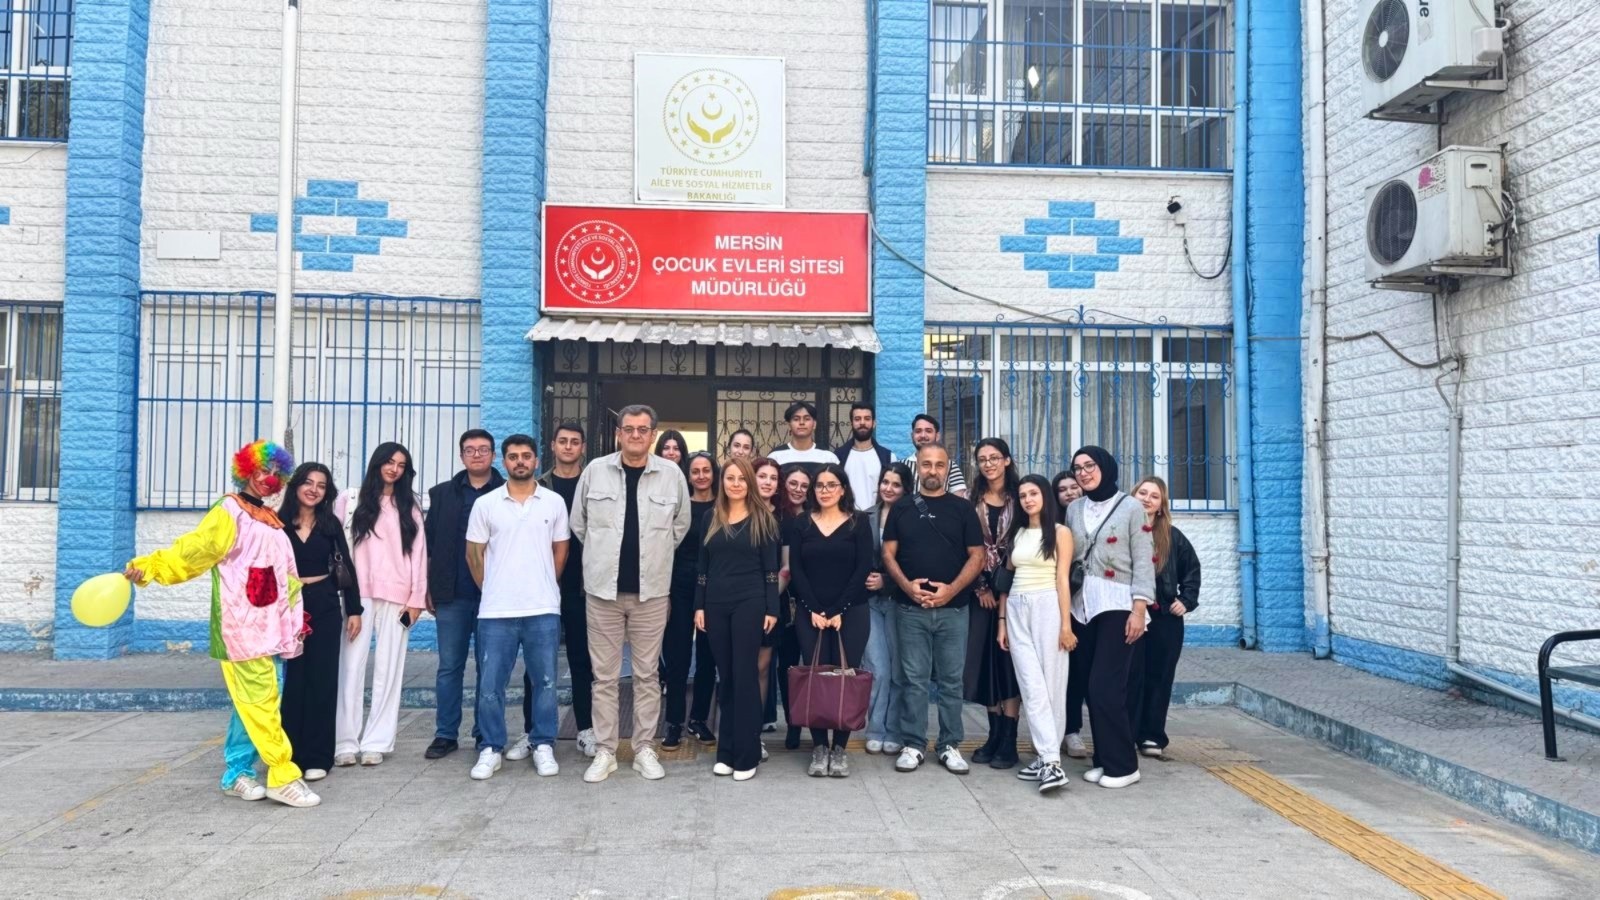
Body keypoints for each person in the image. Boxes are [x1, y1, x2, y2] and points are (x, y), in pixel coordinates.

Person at [124, 440, 320, 807]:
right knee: (261, 702)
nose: (269, 478)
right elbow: (193, 551)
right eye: (262, 471)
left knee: (256, 703)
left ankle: (237, 773)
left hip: (271, 628)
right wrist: (149, 567)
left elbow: (285, 576)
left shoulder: (269, 518)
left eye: (275, 473)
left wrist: (293, 619)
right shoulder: (230, 511)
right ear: (246, 471)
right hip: (241, 628)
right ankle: (282, 775)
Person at [570, 404, 692, 783]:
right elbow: (579, 524)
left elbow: (680, 526)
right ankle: (606, 751)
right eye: (629, 429)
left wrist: (654, 557)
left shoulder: (671, 474)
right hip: (602, 593)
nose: (636, 435)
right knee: (604, 678)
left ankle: (643, 749)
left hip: (651, 593)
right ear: (619, 433)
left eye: (643, 429)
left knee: (647, 676)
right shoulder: (595, 471)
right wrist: (603, 558)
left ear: (653, 434)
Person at [464, 434, 570, 781]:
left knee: (546, 682)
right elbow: (474, 555)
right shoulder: (487, 504)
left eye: (526, 456)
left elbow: (560, 550)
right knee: (490, 685)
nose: (520, 461)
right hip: (496, 612)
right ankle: (491, 748)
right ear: (504, 461)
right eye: (513, 456)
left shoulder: (553, 502)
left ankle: (543, 743)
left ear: (536, 460)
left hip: (542, 608)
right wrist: (494, 588)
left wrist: (544, 583)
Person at [882, 442, 985, 775]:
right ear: (918, 466)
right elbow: (888, 554)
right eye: (926, 464)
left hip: (954, 610)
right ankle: (913, 744)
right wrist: (907, 586)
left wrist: (951, 590)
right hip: (910, 610)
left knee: (952, 681)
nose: (933, 470)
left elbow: (978, 556)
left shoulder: (963, 509)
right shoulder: (902, 508)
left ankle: (949, 744)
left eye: (939, 465)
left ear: (948, 468)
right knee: (913, 680)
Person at [1065, 446, 1155, 790]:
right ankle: (1103, 760)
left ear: (1105, 466)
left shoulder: (1131, 507)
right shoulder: (1074, 508)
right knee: (1092, 687)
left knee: (1106, 686)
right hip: (1082, 605)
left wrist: (1139, 609)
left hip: (1118, 603)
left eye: (1090, 465)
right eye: (1077, 468)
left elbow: (1144, 560)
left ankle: (1124, 766)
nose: (1083, 473)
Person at [336, 442, 428, 768]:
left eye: (401, 465)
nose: (394, 469)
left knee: (390, 669)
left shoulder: (410, 505)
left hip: (399, 599)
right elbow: (336, 547)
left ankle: (377, 741)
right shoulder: (350, 500)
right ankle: (344, 742)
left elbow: (419, 554)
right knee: (350, 667)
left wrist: (416, 600)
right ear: (377, 463)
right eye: (389, 462)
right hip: (357, 596)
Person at [694, 457, 781, 781]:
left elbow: (771, 570)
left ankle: (747, 754)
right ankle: (726, 752)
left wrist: (772, 609)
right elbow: (702, 566)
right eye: (730, 478)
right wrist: (699, 606)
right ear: (723, 482)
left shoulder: (763, 519)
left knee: (745, 676)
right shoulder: (711, 517)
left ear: (749, 483)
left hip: (750, 603)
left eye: (741, 479)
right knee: (727, 676)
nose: (735, 484)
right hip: (715, 605)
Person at [423, 430, 505, 761]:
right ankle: (446, 733)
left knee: (490, 668)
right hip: (452, 593)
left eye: (483, 449)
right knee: (449, 667)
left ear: (493, 455)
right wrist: (427, 587)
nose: (477, 455)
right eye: (470, 450)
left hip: (494, 596)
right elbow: (428, 545)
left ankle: (485, 732)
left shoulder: (506, 491)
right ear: (461, 456)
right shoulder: (442, 494)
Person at [788, 463, 875, 777]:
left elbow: (863, 567)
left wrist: (839, 609)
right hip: (810, 613)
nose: (825, 490)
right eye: (820, 485)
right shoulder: (801, 523)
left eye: (831, 485)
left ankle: (839, 748)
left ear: (843, 489)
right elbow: (796, 569)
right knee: (815, 676)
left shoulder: (858, 522)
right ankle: (819, 747)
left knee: (844, 677)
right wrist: (814, 608)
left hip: (852, 612)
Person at [279, 462, 362, 783]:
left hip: (324, 604)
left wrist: (354, 610)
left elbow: (346, 566)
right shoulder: (278, 524)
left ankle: (318, 756)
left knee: (323, 680)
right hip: (289, 608)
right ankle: (290, 756)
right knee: (294, 681)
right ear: (296, 485)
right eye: (308, 482)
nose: (314, 490)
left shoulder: (330, 524)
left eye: (321, 485)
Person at [996, 474, 1076, 794]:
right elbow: (1006, 580)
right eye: (1023, 495)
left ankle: (1050, 761)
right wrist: (1002, 622)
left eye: (1033, 493)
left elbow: (1063, 579)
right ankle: (1048, 758)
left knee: (1052, 686)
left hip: (1048, 606)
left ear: (1045, 496)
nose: (1028, 499)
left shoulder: (1060, 532)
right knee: (1031, 686)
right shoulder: (1016, 532)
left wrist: (1066, 625)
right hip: (1017, 607)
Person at [1131, 476, 1201, 761]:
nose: (1147, 499)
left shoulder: (1172, 537)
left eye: (1154, 496)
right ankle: (1127, 732)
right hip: (1129, 615)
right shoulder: (1121, 530)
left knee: (1159, 677)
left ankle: (1151, 735)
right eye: (1142, 493)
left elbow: (1192, 570)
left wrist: (1186, 600)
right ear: (1133, 496)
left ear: (1161, 506)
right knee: (1130, 676)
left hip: (1163, 619)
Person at [539, 422, 596, 757]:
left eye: (575, 442)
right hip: (542, 583)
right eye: (563, 441)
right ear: (553, 445)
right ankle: (534, 731)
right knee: (539, 662)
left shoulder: (594, 483)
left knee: (580, 659)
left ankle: (585, 729)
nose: (569, 447)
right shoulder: (538, 485)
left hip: (581, 585)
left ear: (583, 447)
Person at [967, 438, 1022, 770]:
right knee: (986, 665)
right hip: (980, 595)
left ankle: (1010, 739)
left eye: (994, 457)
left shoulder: (1022, 498)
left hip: (1017, 591)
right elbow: (964, 546)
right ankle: (993, 734)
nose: (988, 464)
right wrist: (981, 587)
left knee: (1009, 664)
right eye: (982, 459)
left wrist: (1002, 587)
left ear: (1007, 460)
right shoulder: (970, 500)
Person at [663, 451, 719, 749]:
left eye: (706, 470)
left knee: (708, 657)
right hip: (680, 586)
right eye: (695, 471)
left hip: (713, 588)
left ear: (714, 473)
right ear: (688, 475)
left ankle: (699, 719)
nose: (701, 476)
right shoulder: (678, 507)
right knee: (678, 657)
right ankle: (674, 722)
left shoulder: (722, 507)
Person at [862, 462, 912, 755]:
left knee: (897, 670)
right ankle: (875, 729)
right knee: (877, 668)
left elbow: (915, 560)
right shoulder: (865, 516)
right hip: (869, 603)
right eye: (885, 482)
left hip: (899, 601)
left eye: (896, 484)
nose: (889, 488)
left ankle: (894, 730)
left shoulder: (912, 517)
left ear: (905, 489)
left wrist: (888, 581)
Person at [771, 463, 812, 749]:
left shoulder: (816, 516)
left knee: (812, 664)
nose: (798, 489)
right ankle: (793, 723)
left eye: (804, 485)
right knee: (786, 665)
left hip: (815, 601)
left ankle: (815, 717)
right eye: (793, 484)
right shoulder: (778, 517)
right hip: (784, 601)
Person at [1056, 467, 1090, 759]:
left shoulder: (1090, 517)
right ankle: (1060, 731)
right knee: (1060, 674)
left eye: (1073, 487)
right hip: (1057, 605)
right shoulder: (1052, 524)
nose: (1069, 493)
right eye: (1062, 489)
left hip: (1088, 605)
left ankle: (1072, 730)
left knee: (1080, 671)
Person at [835, 401, 895, 512]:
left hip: (877, 516)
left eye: (867, 419)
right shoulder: (838, 457)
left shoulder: (888, 457)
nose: (862, 423)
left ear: (874, 423)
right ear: (851, 423)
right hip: (846, 516)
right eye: (857, 419)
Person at [768, 401, 835, 476]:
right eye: (796, 419)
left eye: (807, 419)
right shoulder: (776, 456)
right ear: (789, 425)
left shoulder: (828, 457)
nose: (801, 422)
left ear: (814, 424)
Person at [911, 414, 968, 497]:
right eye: (918, 431)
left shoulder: (951, 467)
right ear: (912, 436)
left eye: (928, 431)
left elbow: (959, 499)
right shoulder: (902, 465)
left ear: (937, 436)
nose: (923, 435)